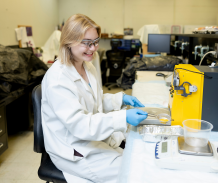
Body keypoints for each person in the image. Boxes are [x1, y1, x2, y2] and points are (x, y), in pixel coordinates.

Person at [41, 14, 148, 183]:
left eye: (96, 41)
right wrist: (123, 117)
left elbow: (92, 100)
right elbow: (81, 125)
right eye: (87, 43)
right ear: (69, 41)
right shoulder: (58, 79)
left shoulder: (86, 66)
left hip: (89, 139)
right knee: (132, 173)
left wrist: (120, 99)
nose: (93, 48)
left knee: (137, 159)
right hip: (73, 150)